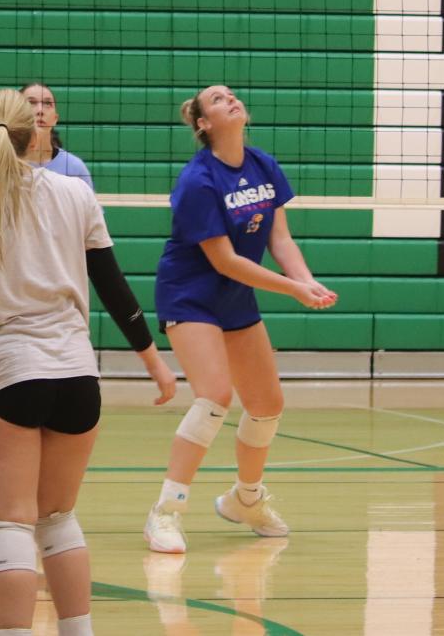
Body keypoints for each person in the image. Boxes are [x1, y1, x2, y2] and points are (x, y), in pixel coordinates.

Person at [0, 89, 176, 636]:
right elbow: (114, 288)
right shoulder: (75, 193)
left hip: (3, 375)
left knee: (10, 525)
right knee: (58, 520)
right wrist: (155, 363)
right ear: (34, 135)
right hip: (75, 378)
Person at [143, 84, 337, 554]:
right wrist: (291, 289)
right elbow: (225, 260)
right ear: (203, 124)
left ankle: (245, 500)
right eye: (216, 99)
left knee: (268, 404)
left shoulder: (263, 164)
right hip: (190, 295)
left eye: (231, 95)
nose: (229, 99)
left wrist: (306, 281)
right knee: (214, 397)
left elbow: (280, 239)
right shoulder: (198, 181)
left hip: (234, 298)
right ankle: (166, 510)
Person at [0, 81, 95, 516]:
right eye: (31, 102)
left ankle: (24, 498)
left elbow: (90, 246)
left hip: (51, 322)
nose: (40, 109)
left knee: (29, 513)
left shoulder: (73, 173)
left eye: (49, 102)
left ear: (55, 117)